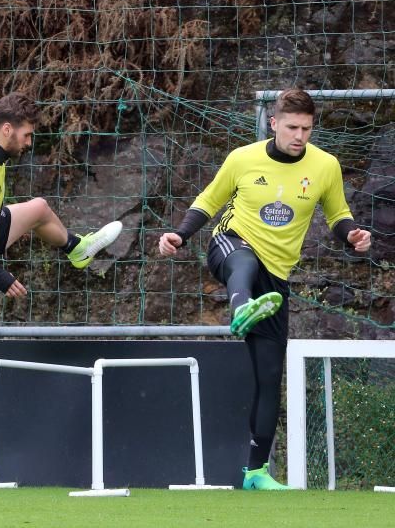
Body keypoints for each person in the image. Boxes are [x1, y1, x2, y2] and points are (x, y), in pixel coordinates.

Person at [157, 89, 372, 490]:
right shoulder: (243, 158)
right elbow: (209, 201)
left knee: (270, 376)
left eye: (307, 129)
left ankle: (256, 472)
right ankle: (241, 307)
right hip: (230, 245)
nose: (299, 136)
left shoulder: (325, 166)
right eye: (292, 127)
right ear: (273, 123)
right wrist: (180, 235)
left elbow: (338, 214)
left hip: (276, 279)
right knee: (244, 261)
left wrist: (353, 236)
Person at [0, 92, 124, 489]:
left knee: (37, 209)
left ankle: (79, 251)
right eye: (27, 135)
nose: (30, 142)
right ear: (6, 129)